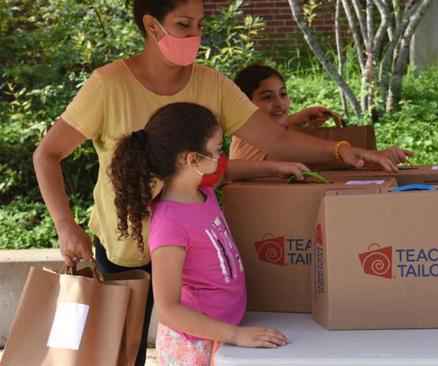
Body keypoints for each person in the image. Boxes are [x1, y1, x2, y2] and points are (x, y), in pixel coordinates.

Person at [32, 0, 411, 364]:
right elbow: (46, 155)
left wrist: (344, 151)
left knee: (193, 346)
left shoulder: (211, 84)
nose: (196, 35)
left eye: (200, 25)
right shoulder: (108, 85)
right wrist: (66, 226)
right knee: (117, 354)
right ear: (152, 26)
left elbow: (274, 139)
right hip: (125, 251)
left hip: (195, 257)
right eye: (184, 25)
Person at [111, 102, 297, 365]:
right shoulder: (169, 224)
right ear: (191, 160)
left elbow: (230, 171)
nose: (221, 158)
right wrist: (236, 335)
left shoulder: (204, 191)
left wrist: (279, 167)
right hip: (194, 347)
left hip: (223, 335)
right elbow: (168, 310)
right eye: (217, 150)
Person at [230, 63, 337, 160]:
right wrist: (339, 149)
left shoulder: (269, 132)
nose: (279, 104)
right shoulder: (249, 137)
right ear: (245, 103)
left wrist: (297, 120)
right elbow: (281, 141)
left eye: (283, 94)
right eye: (267, 97)